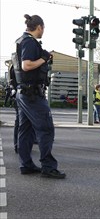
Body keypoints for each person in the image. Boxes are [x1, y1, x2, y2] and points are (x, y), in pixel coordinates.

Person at [12, 14, 65, 179]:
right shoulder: (29, 41)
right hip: (32, 94)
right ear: (39, 27)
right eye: (44, 28)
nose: (44, 31)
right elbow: (26, 65)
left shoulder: (21, 40)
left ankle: (26, 165)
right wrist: (43, 58)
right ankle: (48, 167)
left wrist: (44, 58)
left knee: (25, 130)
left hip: (24, 92)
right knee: (46, 129)